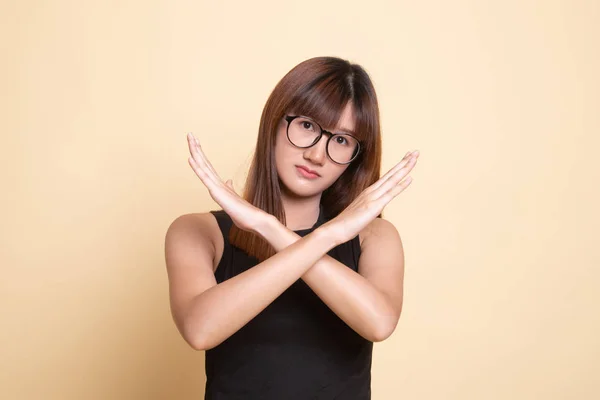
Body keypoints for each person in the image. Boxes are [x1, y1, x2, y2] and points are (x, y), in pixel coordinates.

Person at [164, 56, 420, 399]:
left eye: (342, 140)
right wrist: (310, 235)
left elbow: (379, 322)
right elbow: (200, 330)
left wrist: (279, 230)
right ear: (274, 122)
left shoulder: (375, 237)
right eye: (308, 126)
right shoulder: (198, 232)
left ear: (355, 158)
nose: (317, 155)